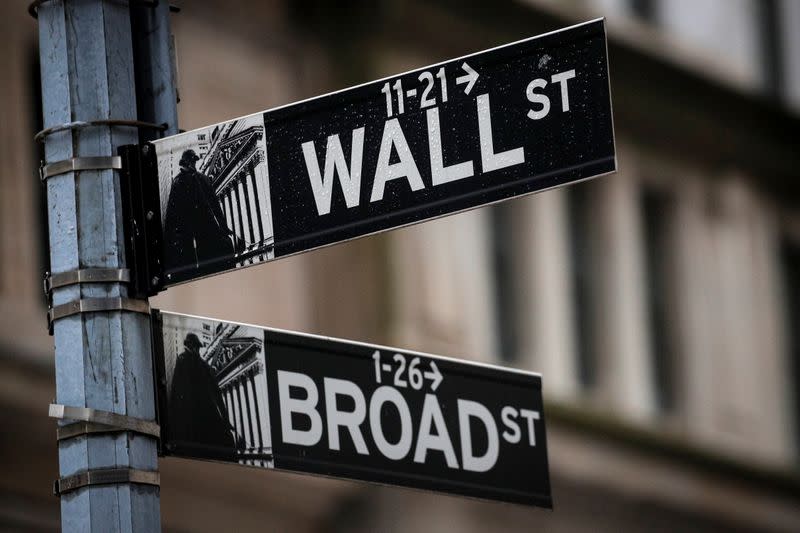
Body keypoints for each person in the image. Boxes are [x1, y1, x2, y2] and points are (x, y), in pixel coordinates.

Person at [162, 149, 236, 274]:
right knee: (203, 262)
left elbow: (215, 206)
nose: (192, 164)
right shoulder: (178, 182)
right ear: (185, 163)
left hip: (207, 227)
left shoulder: (202, 179)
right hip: (192, 232)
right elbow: (172, 213)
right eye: (190, 162)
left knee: (215, 258)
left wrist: (224, 227)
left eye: (194, 162)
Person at [168, 333, 238, 458]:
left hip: (195, 417)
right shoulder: (199, 364)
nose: (197, 350)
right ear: (193, 346)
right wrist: (225, 420)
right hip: (203, 415)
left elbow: (175, 391)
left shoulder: (186, 361)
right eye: (196, 347)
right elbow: (217, 395)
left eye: (196, 347)